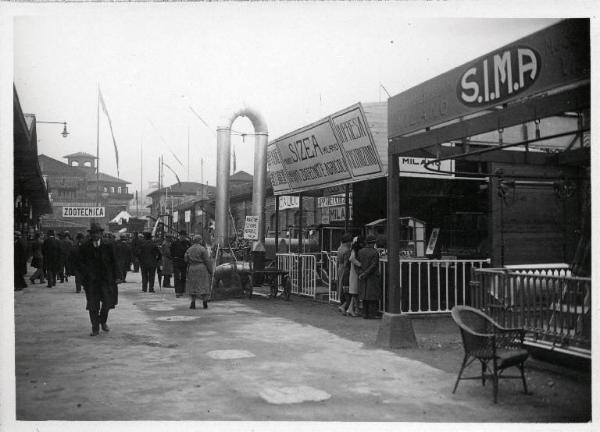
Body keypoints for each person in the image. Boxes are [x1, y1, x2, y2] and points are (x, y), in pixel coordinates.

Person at [79, 222, 121, 336]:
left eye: (97, 233)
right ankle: (95, 328)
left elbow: (115, 261)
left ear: (101, 234)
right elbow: (80, 263)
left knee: (107, 304)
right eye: (93, 233)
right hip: (91, 282)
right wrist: (83, 277)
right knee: (93, 305)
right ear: (91, 234)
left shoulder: (108, 245)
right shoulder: (84, 247)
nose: (95, 235)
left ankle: (103, 321)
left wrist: (117, 276)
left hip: (106, 280)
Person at [184, 235, 213, 309]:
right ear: (200, 240)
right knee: (203, 285)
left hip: (192, 268)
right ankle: (204, 302)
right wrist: (210, 270)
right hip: (201, 268)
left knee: (193, 285)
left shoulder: (189, 249)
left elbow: (185, 259)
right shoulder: (203, 249)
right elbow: (207, 261)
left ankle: (193, 302)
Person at [357, 234, 382, 319]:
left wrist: (361, 273)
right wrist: (366, 273)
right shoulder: (375, 252)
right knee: (373, 296)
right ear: (373, 243)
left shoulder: (360, 251)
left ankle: (365, 313)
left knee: (364, 295)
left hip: (362, 276)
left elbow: (358, 264)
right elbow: (373, 265)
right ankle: (372, 314)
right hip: (372, 276)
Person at [345, 236, 363, 317]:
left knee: (354, 292)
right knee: (355, 292)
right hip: (355, 272)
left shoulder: (354, 249)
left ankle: (351, 309)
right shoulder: (354, 250)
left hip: (354, 272)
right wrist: (360, 264)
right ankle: (355, 310)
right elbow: (351, 259)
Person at [171, 230, 191, 298]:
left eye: (184, 236)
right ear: (179, 236)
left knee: (183, 276)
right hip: (176, 261)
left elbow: (189, 251)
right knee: (177, 277)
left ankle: (182, 290)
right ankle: (177, 291)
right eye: (182, 236)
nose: (183, 237)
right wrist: (174, 258)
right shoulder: (174, 243)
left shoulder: (187, 243)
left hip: (184, 261)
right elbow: (172, 252)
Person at [336, 233, 352, 315]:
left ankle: (342, 303)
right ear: (347, 242)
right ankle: (345, 305)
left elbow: (338, 261)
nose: (351, 243)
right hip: (345, 269)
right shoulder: (347, 250)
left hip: (340, 267)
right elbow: (347, 263)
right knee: (346, 287)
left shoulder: (339, 248)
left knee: (341, 285)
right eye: (350, 241)